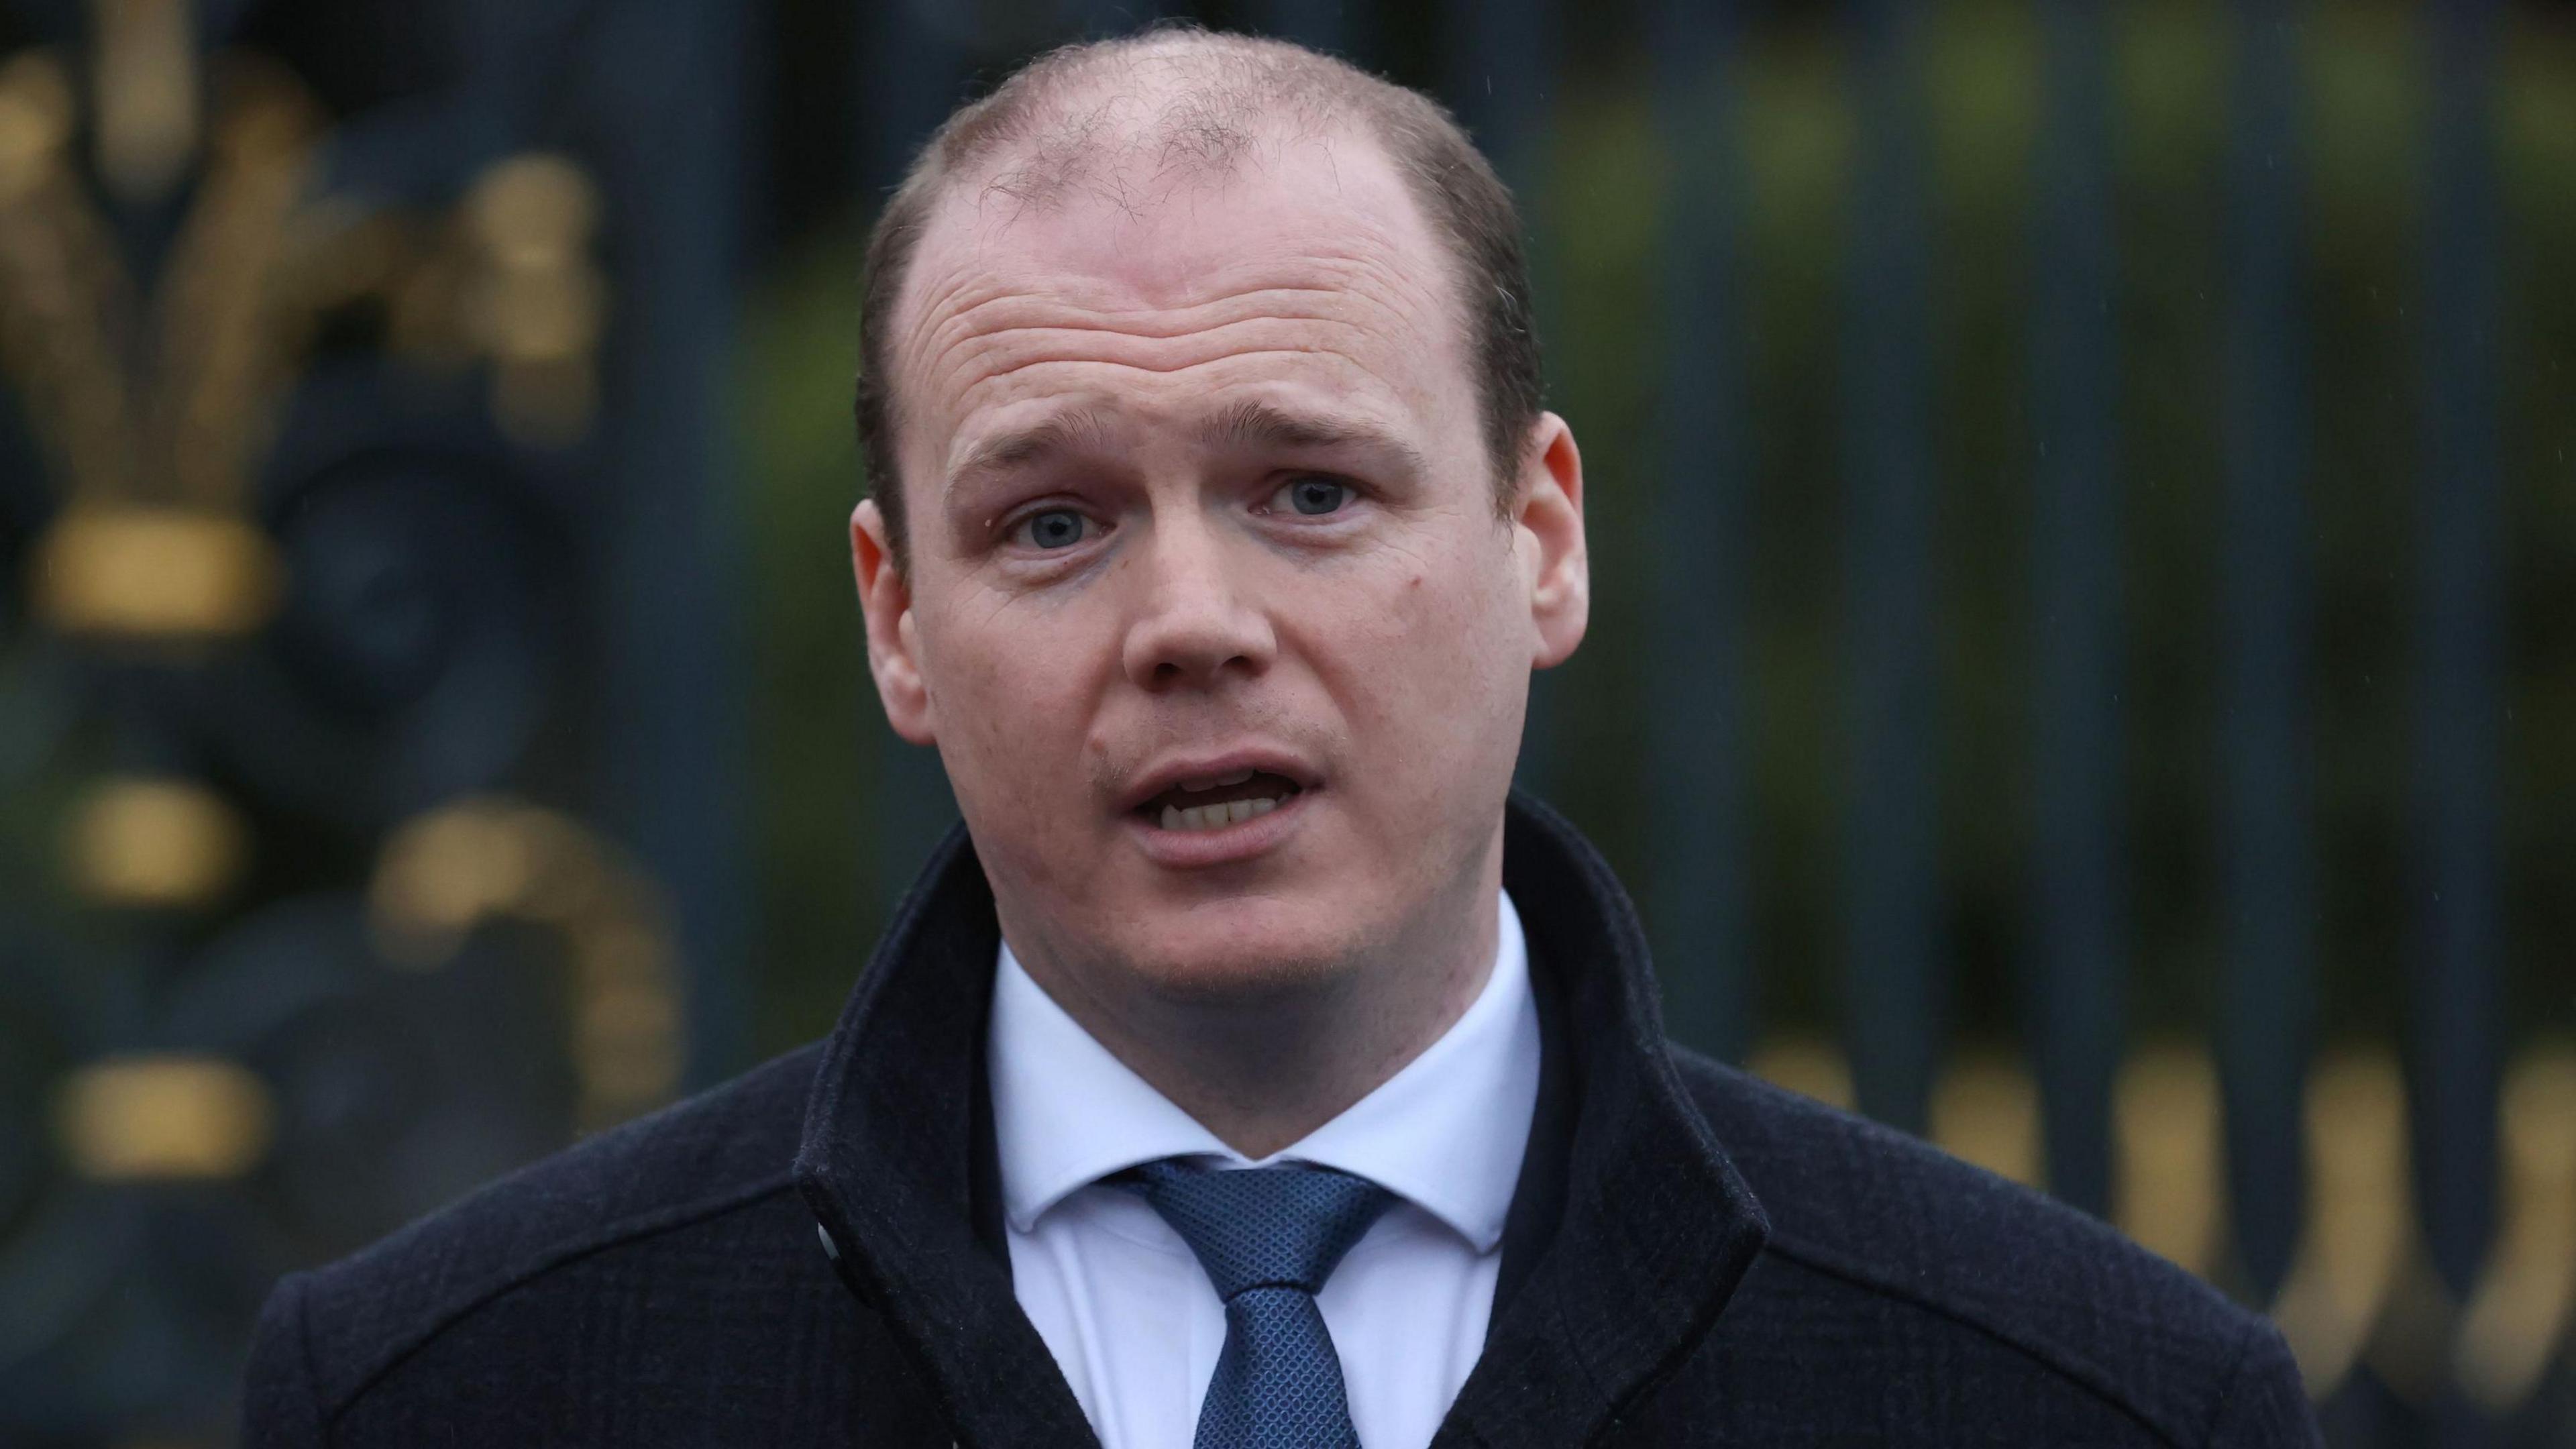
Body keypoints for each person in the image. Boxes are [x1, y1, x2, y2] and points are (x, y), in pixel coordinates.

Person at [242, 26, 2318, 1448]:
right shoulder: (463, 1393)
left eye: (1310, 491)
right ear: (896, 618)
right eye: (1052, 523)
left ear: (1541, 537)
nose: (1193, 627)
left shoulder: (2079, 1401)